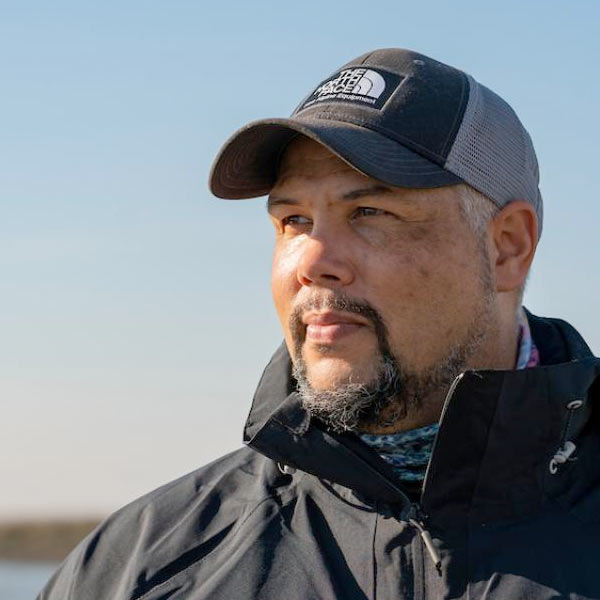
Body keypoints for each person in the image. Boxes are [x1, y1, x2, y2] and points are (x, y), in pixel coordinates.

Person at [40, 48, 600, 600]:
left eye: (369, 213)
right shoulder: (138, 568)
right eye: (294, 220)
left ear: (507, 248)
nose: (311, 261)